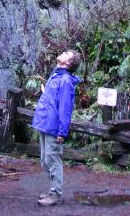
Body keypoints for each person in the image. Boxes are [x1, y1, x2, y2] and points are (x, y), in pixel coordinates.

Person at [32, 50, 82, 206]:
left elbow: (65, 108)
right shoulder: (56, 76)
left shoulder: (66, 80)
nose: (62, 52)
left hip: (54, 127)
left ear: (69, 63)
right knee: (45, 161)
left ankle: (56, 194)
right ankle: (52, 190)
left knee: (53, 160)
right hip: (45, 124)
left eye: (66, 53)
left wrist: (62, 131)